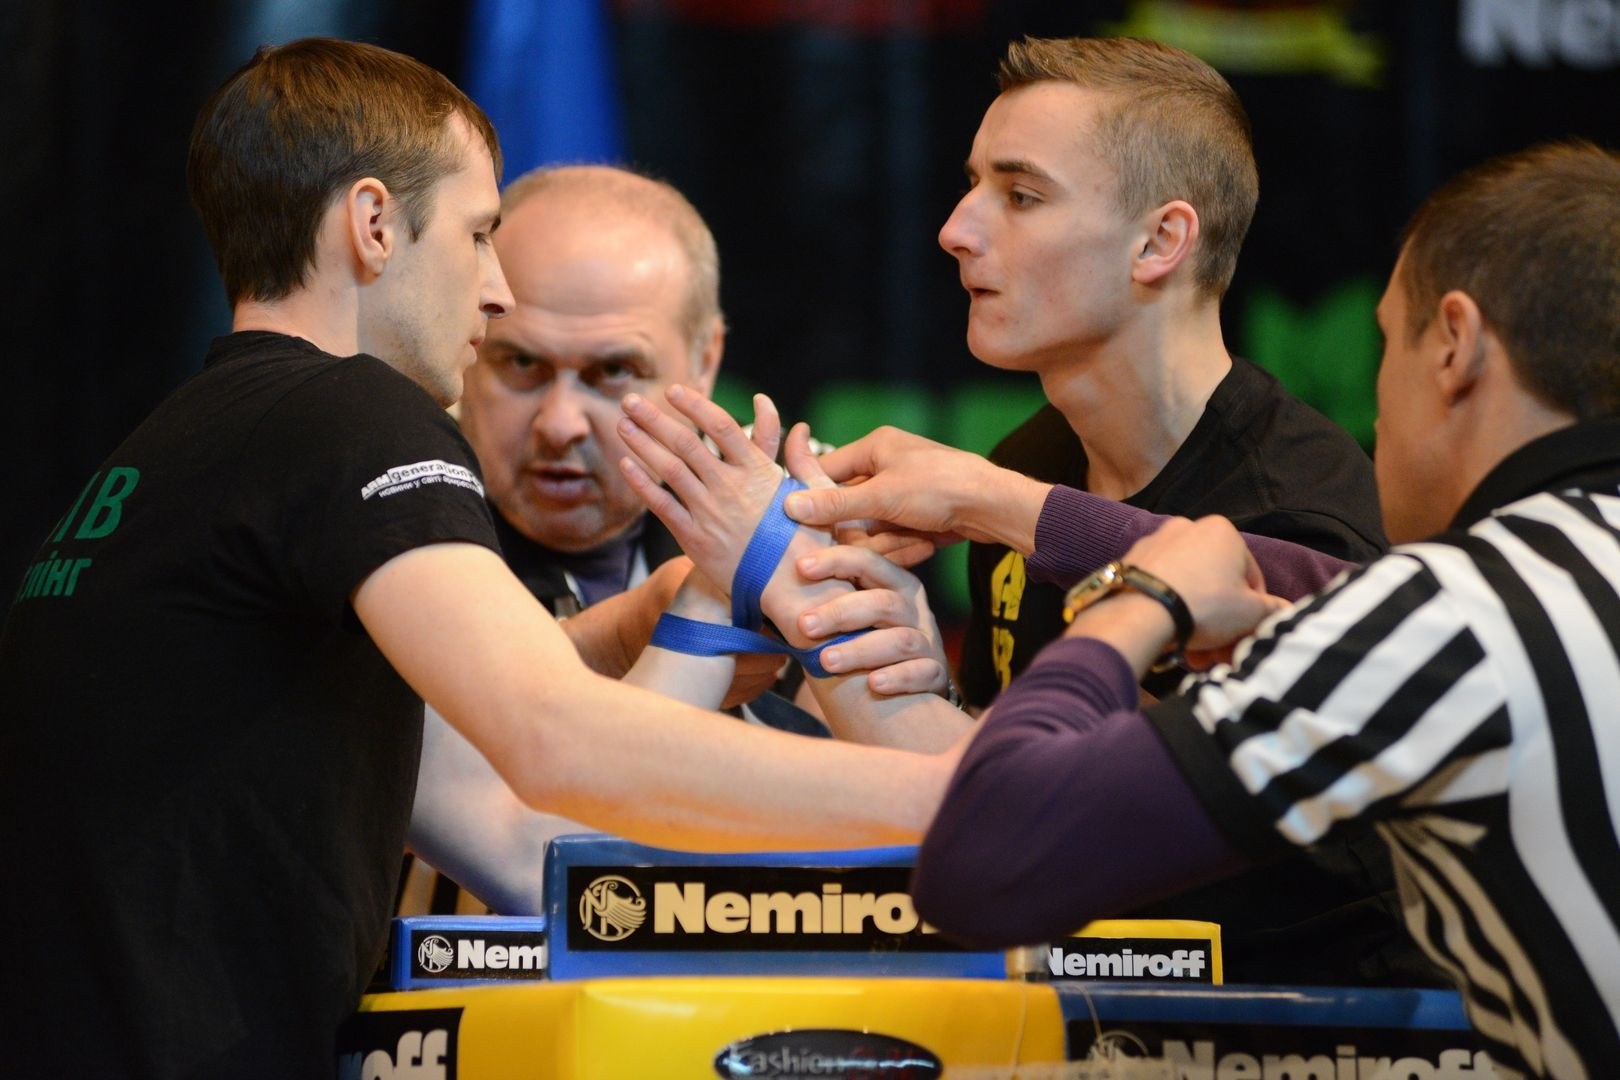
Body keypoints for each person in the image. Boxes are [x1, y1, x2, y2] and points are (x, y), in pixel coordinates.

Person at [0, 39, 956, 1077]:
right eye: (480, 233)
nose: (498, 289)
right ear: (374, 225)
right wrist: (974, 799)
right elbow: (563, 741)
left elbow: (521, 839)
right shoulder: (353, 415)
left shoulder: (197, 444)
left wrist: (705, 607)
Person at [897, 141, 1620, 1078]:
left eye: (1385, 341)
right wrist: (996, 503)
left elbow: (988, 858)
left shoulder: (1454, 617)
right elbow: (1318, 583)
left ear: (1455, 343)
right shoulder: (1531, 587)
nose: (1377, 399)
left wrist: (1137, 600)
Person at [823, 33, 1415, 986]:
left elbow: (1095, 819)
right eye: (972, 184)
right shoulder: (1030, 463)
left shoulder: (1301, 498)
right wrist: (899, 667)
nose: (956, 228)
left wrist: (998, 505)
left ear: (1160, 242)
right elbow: (1032, 806)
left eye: (1020, 195)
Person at [400, 164, 831, 916]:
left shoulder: (799, 549)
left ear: (704, 360)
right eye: (521, 364)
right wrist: (658, 623)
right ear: (471, 334)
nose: (560, 423)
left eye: (611, 372)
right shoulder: (393, 541)